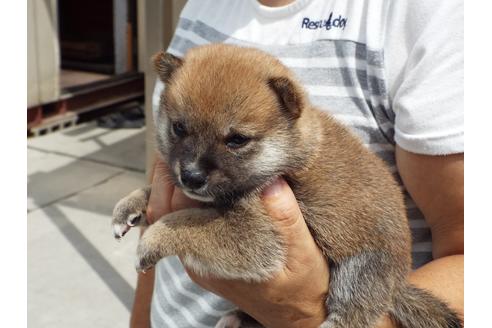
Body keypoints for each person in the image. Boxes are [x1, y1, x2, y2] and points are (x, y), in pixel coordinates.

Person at [131, 0, 464, 327]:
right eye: (179, 130)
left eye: (236, 141)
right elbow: (164, 188)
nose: (191, 169)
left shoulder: (428, 14)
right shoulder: (201, 5)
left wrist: (301, 316)